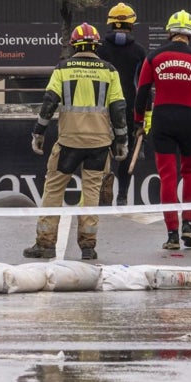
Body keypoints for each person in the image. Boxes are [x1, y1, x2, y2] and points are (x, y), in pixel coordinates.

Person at [24, 22, 129, 261]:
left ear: (74, 45)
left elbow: (49, 102)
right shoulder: (109, 71)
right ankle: (88, 246)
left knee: (53, 189)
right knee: (91, 193)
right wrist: (121, 140)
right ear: (96, 45)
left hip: (69, 141)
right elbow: (118, 108)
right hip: (100, 144)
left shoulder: (63, 69)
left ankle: (45, 243)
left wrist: (38, 133)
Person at [134, 9, 191, 250]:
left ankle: (172, 235)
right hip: (189, 120)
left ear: (170, 32)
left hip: (162, 119)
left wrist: (139, 122)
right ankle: (188, 226)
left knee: (168, 176)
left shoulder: (153, 57)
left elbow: (141, 92)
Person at [97, 2, 147, 206]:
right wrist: (144, 117)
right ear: (132, 24)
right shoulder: (139, 51)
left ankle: (102, 192)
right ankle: (123, 195)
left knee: (101, 151)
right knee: (124, 153)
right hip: (130, 109)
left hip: (101, 109)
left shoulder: (99, 50)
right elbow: (144, 86)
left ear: (110, 24)